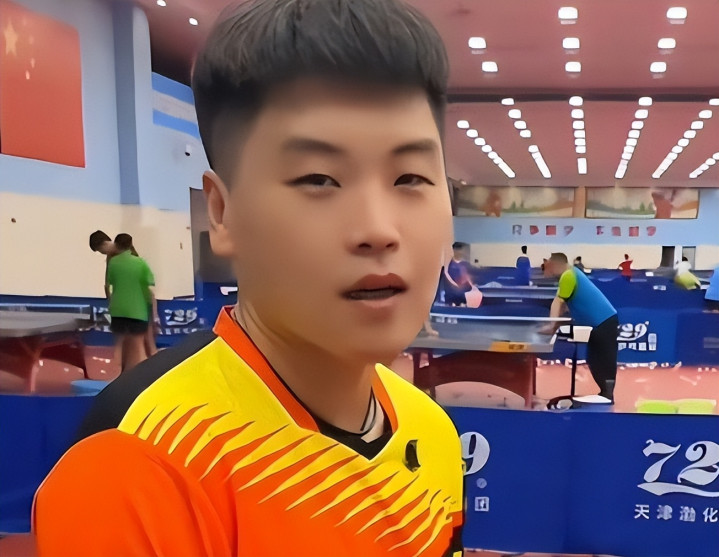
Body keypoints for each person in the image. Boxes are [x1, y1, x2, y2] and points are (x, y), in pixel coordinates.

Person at [35, 2, 464, 556]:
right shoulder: (140, 461)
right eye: (319, 179)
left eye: (410, 177)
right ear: (222, 213)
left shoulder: (434, 433)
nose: (378, 230)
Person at [540, 253, 618, 403]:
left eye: (547, 266)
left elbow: (558, 303)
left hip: (604, 321)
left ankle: (607, 395)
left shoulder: (568, 275)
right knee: (594, 359)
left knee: (602, 359)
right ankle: (605, 393)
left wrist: (551, 326)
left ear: (555, 264)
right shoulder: (571, 274)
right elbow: (564, 307)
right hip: (599, 323)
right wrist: (554, 326)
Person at [89, 230, 158, 360]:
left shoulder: (114, 258)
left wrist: (111, 302)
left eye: (100, 250)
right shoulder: (125, 254)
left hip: (135, 303)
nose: (102, 253)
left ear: (103, 244)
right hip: (137, 302)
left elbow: (107, 284)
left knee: (143, 340)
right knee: (144, 340)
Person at [104, 233, 157, 372]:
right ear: (130, 244)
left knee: (119, 345)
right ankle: (142, 377)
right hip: (137, 311)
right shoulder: (140, 263)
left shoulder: (113, 263)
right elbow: (149, 286)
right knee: (138, 346)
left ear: (116, 245)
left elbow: (110, 283)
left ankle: (116, 375)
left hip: (118, 310)